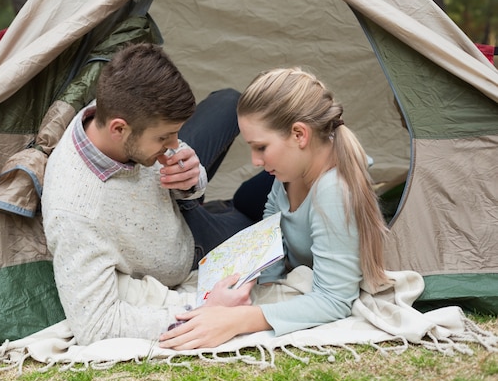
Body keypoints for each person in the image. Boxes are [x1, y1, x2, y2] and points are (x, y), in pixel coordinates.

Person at [41, 43, 260, 345]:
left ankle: (229, 204)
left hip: (177, 206)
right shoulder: (77, 212)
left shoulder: (114, 106)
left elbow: (179, 155)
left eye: (175, 134)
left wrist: (193, 179)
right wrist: (205, 310)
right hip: (192, 251)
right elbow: (96, 326)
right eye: (163, 137)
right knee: (273, 227)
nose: (175, 145)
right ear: (119, 129)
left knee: (230, 102)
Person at [159, 67, 392, 350]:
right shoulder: (291, 170)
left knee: (190, 213)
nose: (255, 161)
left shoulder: (334, 193)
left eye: (261, 148)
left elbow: (334, 300)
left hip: (236, 216)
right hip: (241, 214)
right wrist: (265, 284)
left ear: (299, 135)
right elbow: (271, 224)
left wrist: (236, 320)